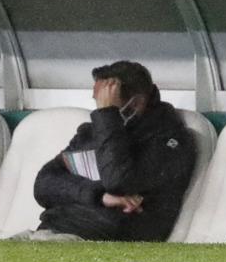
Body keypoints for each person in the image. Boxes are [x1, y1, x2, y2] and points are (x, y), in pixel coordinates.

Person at [19, 61, 197, 242]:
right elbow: (44, 184)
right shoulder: (92, 133)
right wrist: (99, 196)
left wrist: (107, 117)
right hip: (50, 229)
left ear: (136, 102)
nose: (99, 110)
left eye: (106, 104)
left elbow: (118, 181)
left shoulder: (169, 142)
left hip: (101, 237)